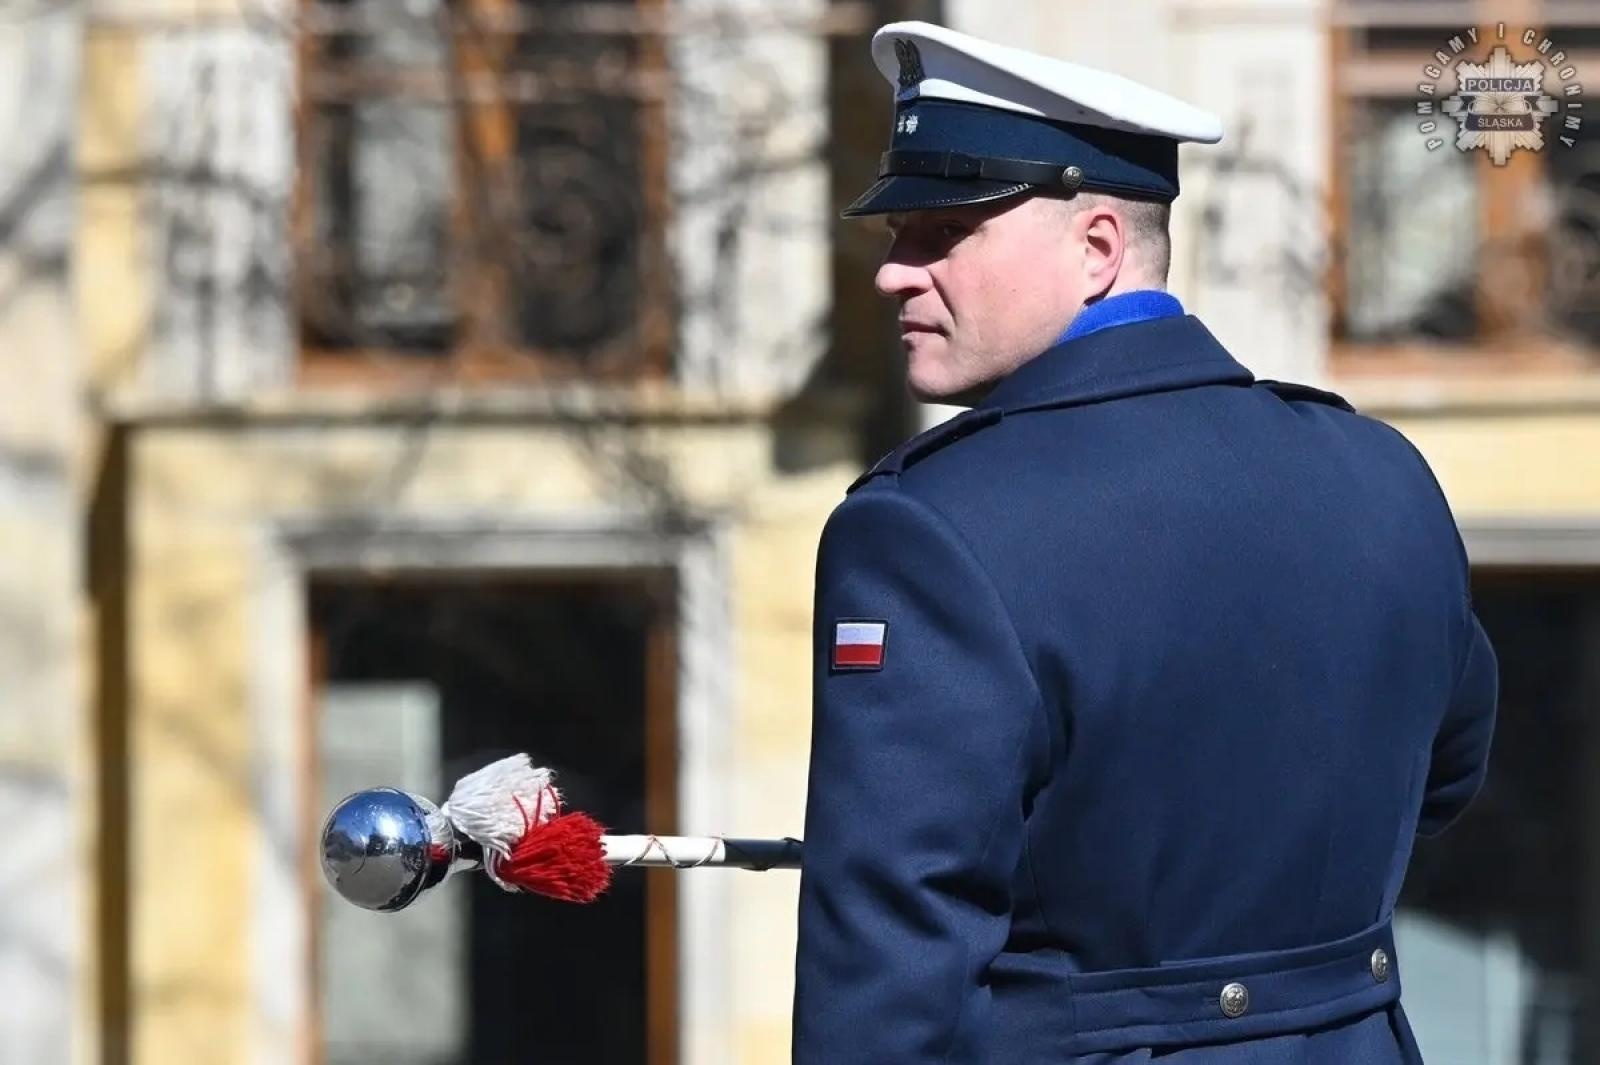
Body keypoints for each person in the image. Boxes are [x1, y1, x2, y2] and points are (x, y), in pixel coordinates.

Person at [791, 20, 1498, 1065]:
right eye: (899, 235)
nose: (895, 272)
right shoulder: (1379, 469)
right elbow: (1446, 776)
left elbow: (892, 954)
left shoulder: (926, 526)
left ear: (1096, 249)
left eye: (943, 231)